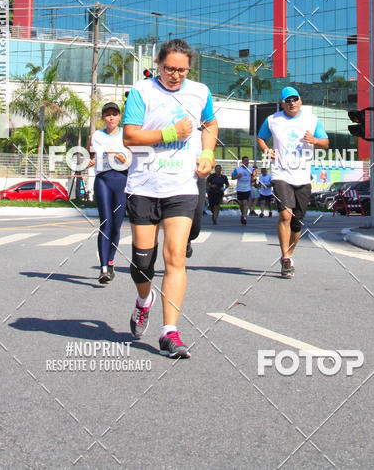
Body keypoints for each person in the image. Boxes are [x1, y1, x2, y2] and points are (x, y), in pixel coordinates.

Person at [122, 39, 218, 359]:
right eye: (169, 69)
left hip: (182, 186)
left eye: (182, 70)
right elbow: (130, 136)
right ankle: (143, 301)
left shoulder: (200, 92)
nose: (175, 75)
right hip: (144, 186)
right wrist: (169, 134)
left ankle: (169, 332)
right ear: (158, 65)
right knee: (142, 265)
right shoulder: (142, 91)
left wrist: (207, 151)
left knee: (176, 254)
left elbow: (210, 123)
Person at [257, 86, 328, 279]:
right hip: (281, 174)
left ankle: (289, 254)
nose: (291, 103)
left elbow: (326, 142)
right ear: (282, 104)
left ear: (300, 100)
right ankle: (285, 257)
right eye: (287, 100)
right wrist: (266, 150)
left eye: (294, 99)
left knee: (297, 222)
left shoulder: (312, 120)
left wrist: (314, 140)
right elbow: (261, 138)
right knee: (285, 215)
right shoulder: (272, 120)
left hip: (303, 177)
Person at [90, 102, 131, 285]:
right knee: (105, 223)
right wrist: (118, 154)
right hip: (104, 180)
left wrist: (120, 155)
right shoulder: (98, 135)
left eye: (114, 114)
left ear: (119, 117)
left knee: (116, 225)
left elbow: (128, 158)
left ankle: (111, 260)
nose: (111, 118)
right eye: (107, 115)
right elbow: (103, 153)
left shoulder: (126, 134)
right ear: (103, 118)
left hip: (122, 180)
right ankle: (103, 268)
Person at [232, 155, 253, 225]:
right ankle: (242, 214)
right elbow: (232, 177)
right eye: (245, 161)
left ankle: (244, 217)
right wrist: (237, 176)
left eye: (248, 161)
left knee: (245, 202)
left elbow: (253, 177)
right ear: (242, 161)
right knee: (241, 203)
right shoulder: (237, 169)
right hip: (240, 188)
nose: (247, 162)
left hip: (247, 188)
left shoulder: (251, 169)